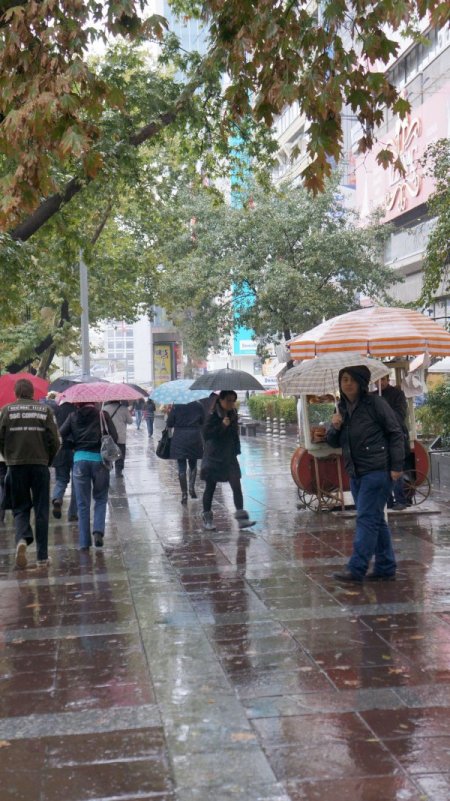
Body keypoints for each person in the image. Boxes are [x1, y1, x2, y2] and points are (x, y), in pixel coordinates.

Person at [325, 365, 404, 583]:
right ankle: (386, 566)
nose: (347, 383)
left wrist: (397, 466)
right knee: (376, 520)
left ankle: (356, 568)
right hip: (356, 472)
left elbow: (395, 432)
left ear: (361, 382)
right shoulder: (341, 408)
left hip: (377, 470)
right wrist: (335, 426)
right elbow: (332, 441)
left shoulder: (375, 404)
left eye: (351, 379)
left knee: (366, 519)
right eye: (343, 380)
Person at [0, 378, 60, 568]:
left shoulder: (7, 411)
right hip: (40, 465)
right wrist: (47, 460)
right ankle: (42, 557)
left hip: (16, 466)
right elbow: (55, 441)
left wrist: (9, 457)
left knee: (20, 507)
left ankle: (22, 540)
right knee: (42, 510)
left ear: (16, 393)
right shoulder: (45, 411)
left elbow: (0, 439)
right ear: (33, 392)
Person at [60, 402, 118, 551]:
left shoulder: (72, 416)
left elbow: (60, 434)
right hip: (100, 462)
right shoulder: (102, 415)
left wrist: (72, 445)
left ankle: (84, 542)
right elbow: (115, 436)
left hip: (79, 461)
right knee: (100, 498)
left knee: (82, 503)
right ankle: (98, 531)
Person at [200, 390, 255, 531]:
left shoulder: (232, 414)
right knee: (210, 488)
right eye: (229, 400)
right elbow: (206, 435)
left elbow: (234, 435)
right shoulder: (212, 415)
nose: (231, 403)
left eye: (233, 400)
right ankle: (207, 518)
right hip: (214, 457)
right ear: (221, 400)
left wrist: (236, 449)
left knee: (236, 486)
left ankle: (242, 519)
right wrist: (222, 426)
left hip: (229, 456)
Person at [374, 374, 410, 510]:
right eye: (377, 379)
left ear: (387, 380)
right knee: (383, 470)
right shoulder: (373, 396)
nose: (380, 382)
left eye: (382, 379)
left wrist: (383, 412)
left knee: (396, 468)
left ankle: (401, 500)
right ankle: (388, 502)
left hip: (395, 437)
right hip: (379, 439)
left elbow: (400, 415)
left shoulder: (397, 394)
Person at [44, 393, 78, 521]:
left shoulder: (55, 411)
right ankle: (73, 513)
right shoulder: (76, 411)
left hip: (60, 450)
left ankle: (57, 498)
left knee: (61, 479)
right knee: (76, 483)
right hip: (75, 450)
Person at [166, 400, 205, 504]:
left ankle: (184, 494)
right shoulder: (198, 405)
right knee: (193, 464)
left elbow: (169, 423)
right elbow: (203, 421)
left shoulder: (176, 406)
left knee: (181, 466)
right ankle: (191, 488)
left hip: (180, 437)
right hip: (194, 437)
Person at [103, 400, 133, 477]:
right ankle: (118, 471)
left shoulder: (104, 409)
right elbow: (130, 421)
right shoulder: (124, 408)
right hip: (121, 436)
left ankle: (107, 467)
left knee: (108, 452)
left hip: (109, 436)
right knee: (121, 453)